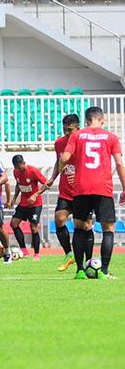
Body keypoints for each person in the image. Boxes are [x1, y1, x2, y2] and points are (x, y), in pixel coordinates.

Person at [60, 106, 125, 280]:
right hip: (103, 188)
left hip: (81, 188)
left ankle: (80, 271)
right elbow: (119, 164)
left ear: (86, 120)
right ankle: (103, 271)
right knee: (108, 229)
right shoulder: (111, 137)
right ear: (102, 120)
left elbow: (64, 158)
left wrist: (64, 171)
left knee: (80, 228)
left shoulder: (77, 135)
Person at [41, 114, 94, 272]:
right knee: (59, 219)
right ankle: (68, 254)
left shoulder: (85, 142)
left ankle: (89, 261)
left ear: (78, 128)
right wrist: (52, 178)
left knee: (85, 227)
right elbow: (59, 160)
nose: (67, 133)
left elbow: (91, 163)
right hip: (65, 192)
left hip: (83, 191)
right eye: (64, 130)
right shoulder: (60, 142)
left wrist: (79, 174)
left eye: (70, 130)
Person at [6, 154, 47, 260]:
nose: (19, 169)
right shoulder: (16, 172)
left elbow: (46, 183)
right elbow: (18, 184)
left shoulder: (33, 171)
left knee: (33, 227)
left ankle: (37, 254)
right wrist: (14, 198)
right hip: (23, 203)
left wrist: (35, 195)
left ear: (23, 163)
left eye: (20, 167)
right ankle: (24, 250)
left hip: (35, 204)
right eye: (16, 168)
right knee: (13, 223)